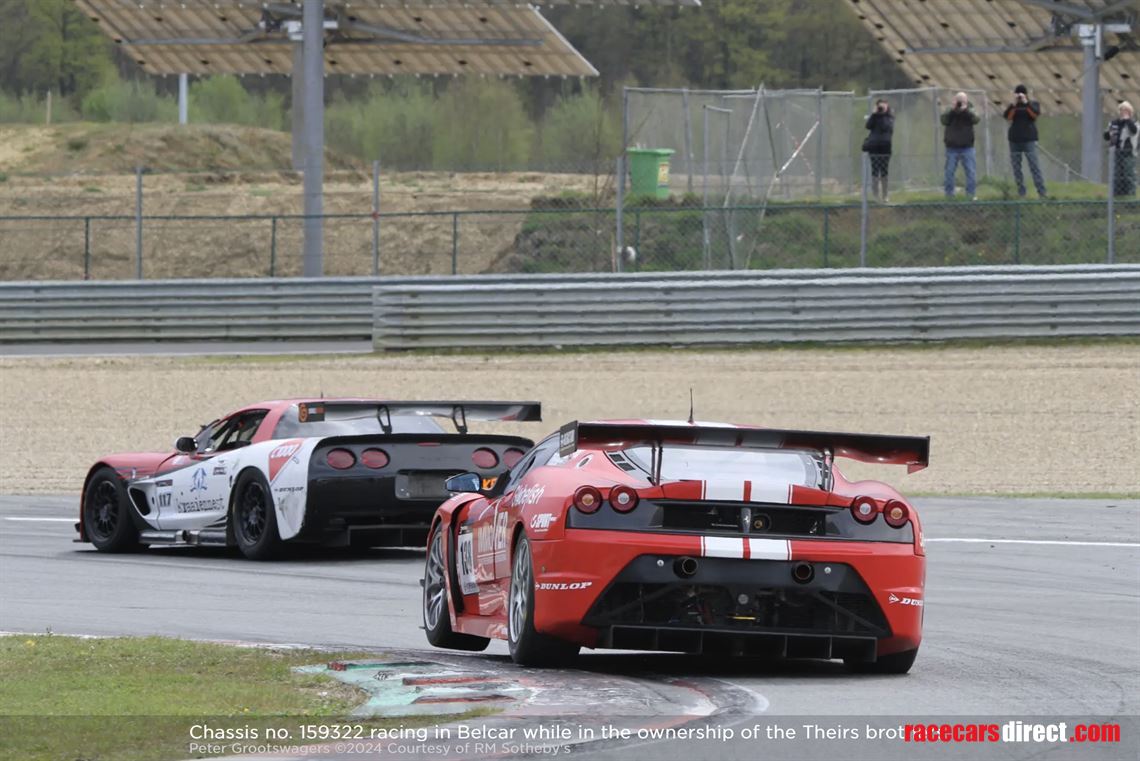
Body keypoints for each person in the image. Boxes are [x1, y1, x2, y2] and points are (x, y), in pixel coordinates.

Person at [1003, 84, 1047, 199]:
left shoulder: (1033, 104)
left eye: (1021, 94)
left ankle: (1041, 191)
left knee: (1034, 165)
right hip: (1014, 139)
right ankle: (1021, 191)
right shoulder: (1013, 106)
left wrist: (1026, 103)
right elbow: (1008, 117)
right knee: (1016, 167)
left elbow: (1034, 115)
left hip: (1029, 139)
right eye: (1017, 94)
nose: (1019, 97)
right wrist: (1014, 104)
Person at [941, 91, 980, 199]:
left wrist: (966, 110)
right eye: (959, 101)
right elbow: (943, 120)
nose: (960, 103)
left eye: (962, 101)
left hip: (967, 147)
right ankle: (949, 196)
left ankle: (970, 195)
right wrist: (953, 110)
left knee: (971, 172)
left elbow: (977, 119)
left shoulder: (970, 110)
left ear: (966, 101)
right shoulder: (950, 110)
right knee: (949, 172)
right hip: (952, 147)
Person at [1105, 101, 1139, 197]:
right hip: (1115, 153)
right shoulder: (1114, 123)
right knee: (1116, 175)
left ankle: (1131, 196)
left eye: (1126, 110)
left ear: (1130, 112)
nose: (1123, 112)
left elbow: (1134, 131)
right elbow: (1106, 135)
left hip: (1128, 153)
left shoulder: (1134, 123)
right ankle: (1116, 195)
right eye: (1122, 110)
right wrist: (1109, 134)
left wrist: (1127, 120)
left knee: (1129, 175)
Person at [863, 99, 895, 202]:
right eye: (880, 106)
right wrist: (874, 114)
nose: (881, 108)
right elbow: (868, 126)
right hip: (874, 146)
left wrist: (882, 114)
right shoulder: (875, 116)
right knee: (875, 171)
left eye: (883, 106)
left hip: (885, 146)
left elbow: (887, 127)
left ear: (887, 106)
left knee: (884, 171)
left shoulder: (889, 117)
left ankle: (885, 195)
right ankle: (875, 195)